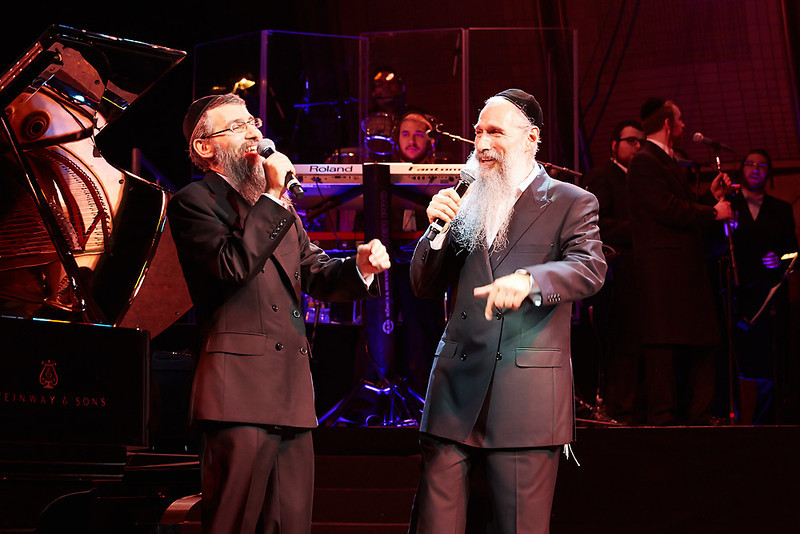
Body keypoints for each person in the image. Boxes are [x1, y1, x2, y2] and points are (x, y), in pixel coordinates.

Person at [167, 93, 391, 533]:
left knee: (291, 525)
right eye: (237, 126)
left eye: (252, 121)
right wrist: (272, 195)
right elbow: (233, 265)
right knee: (234, 524)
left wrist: (360, 268)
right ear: (205, 147)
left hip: (292, 394)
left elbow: (316, 272)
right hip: (238, 395)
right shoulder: (194, 202)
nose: (253, 132)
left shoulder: (277, 209)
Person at [407, 89, 607, 534]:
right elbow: (422, 285)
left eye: (495, 132)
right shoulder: (466, 198)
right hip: (454, 391)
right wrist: (435, 233)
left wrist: (531, 281)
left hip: (525, 397)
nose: (482, 143)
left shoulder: (571, 200)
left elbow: (590, 268)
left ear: (531, 137)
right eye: (478, 132)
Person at [626, 97, 734, 426]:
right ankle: (664, 417)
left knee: (700, 340)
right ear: (668, 124)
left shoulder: (664, 160)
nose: (684, 125)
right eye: (680, 119)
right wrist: (712, 213)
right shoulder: (645, 160)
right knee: (664, 344)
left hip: (681, 266)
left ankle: (697, 414)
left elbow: (678, 203)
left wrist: (709, 197)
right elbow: (665, 208)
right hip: (664, 269)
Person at [725, 149, 798, 423]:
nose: (755, 169)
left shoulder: (781, 209)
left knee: (769, 362)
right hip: (736, 294)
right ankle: (736, 419)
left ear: (769, 173)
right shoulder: (728, 205)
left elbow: (794, 253)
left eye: (762, 166)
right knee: (737, 360)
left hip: (769, 298)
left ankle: (766, 422)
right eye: (750, 164)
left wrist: (778, 258)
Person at [582, 119, 645, 424]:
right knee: (620, 343)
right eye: (631, 141)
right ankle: (619, 408)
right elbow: (597, 224)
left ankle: (634, 409)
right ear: (614, 145)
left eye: (641, 142)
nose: (637, 147)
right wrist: (643, 227)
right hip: (616, 274)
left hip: (641, 273)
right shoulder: (603, 176)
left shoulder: (642, 179)